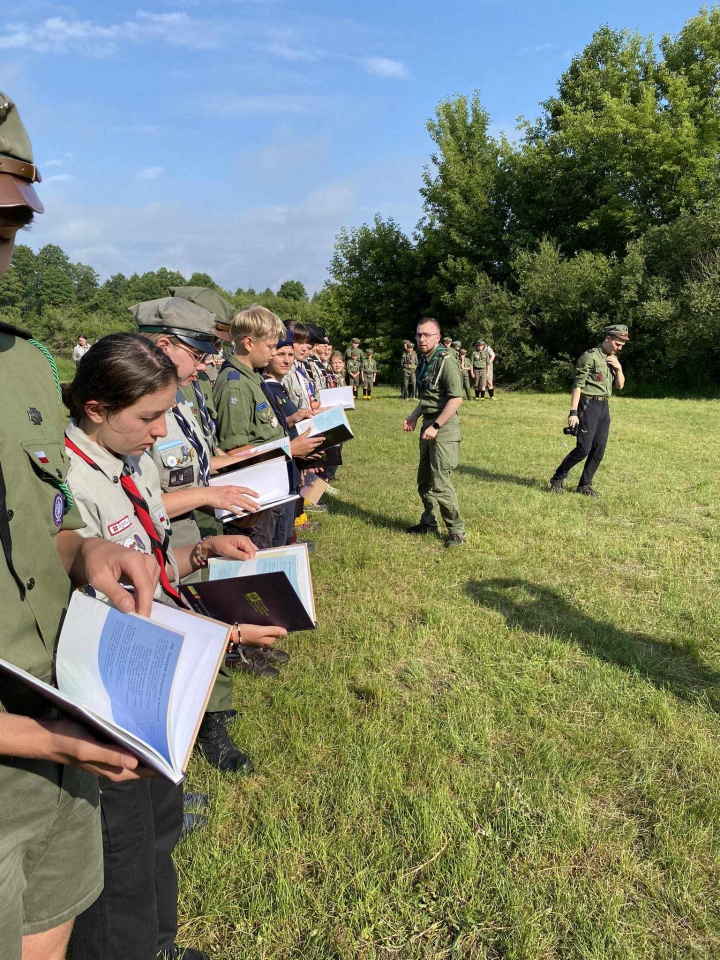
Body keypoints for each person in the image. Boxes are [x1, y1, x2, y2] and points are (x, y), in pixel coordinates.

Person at [0, 90, 158, 960]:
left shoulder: (23, 365)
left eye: (5, 239)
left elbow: (45, 529)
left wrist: (88, 547)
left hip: (65, 722)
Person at [64, 333, 278, 960]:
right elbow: (100, 613)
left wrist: (204, 551)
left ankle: (158, 945)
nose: (162, 432)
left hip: (158, 679)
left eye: (166, 412)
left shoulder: (129, 465)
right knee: (122, 854)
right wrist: (227, 634)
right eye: (149, 416)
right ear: (96, 407)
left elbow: (152, 566)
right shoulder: (70, 483)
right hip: (111, 691)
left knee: (159, 828)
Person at [403, 318, 466, 547]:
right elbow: (428, 396)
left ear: (437, 337)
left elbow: (456, 399)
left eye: (426, 335)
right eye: (419, 334)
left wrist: (436, 426)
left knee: (440, 482)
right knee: (424, 480)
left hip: (443, 427)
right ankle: (428, 522)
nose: (421, 339)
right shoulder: (425, 359)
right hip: (428, 423)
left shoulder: (446, 360)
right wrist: (414, 415)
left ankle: (456, 531)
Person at [549, 324, 629, 496]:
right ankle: (557, 477)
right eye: (617, 344)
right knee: (584, 448)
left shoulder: (612, 359)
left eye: (622, 345)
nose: (620, 348)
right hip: (588, 404)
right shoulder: (589, 357)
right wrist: (573, 412)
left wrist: (618, 368)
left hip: (604, 407)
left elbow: (620, 386)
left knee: (599, 449)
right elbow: (577, 386)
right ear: (608, 338)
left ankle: (585, 484)